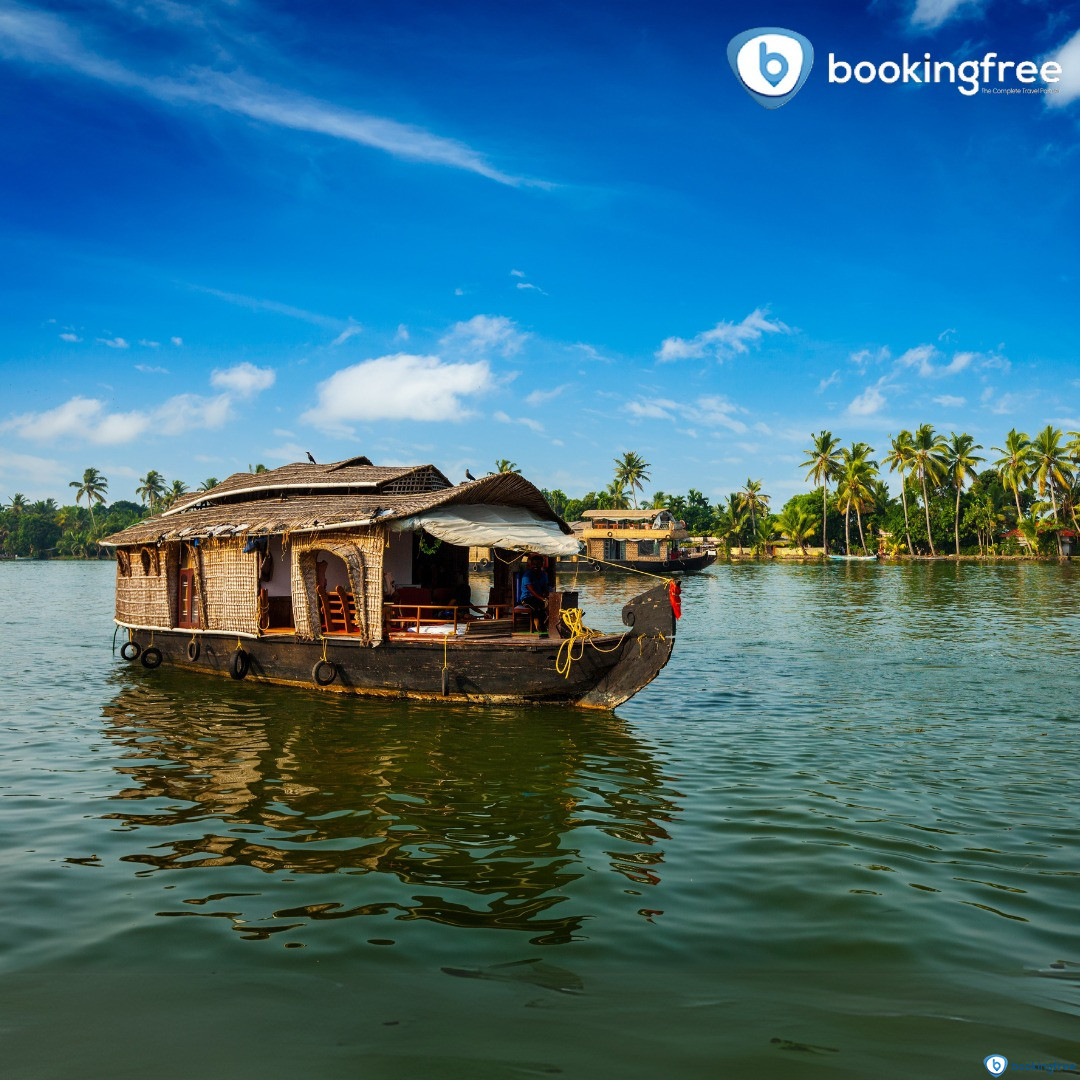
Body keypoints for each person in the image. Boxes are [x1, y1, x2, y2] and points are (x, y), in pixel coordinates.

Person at [518, 554, 550, 634]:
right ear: (531, 564)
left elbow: (545, 588)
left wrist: (547, 596)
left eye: (538, 564)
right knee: (537, 607)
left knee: (550, 605)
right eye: (534, 564)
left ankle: (547, 625)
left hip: (539, 597)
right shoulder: (527, 575)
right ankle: (538, 627)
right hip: (527, 598)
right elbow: (532, 591)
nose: (536, 566)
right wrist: (542, 599)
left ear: (542, 564)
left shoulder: (544, 575)